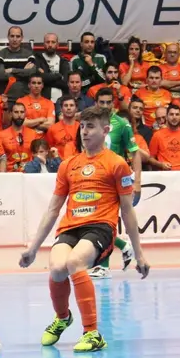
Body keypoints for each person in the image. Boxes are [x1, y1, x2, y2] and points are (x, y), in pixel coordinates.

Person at [20, 105, 150, 352]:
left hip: (101, 227)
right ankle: (62, 317)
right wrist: (33, 248)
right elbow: (52, 209)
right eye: (82, 127)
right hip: (70, 227)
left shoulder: (117, 164)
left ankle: (92, 334)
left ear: (105, 130)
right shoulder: (68, 165)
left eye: (91, 127)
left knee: (75, 262)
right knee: (57, 268)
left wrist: (139, 253)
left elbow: (127, 211)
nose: (85, 132)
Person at [71, 88, 141, 278]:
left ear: (113, 103)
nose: (105, 106)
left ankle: (104, 265)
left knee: (104, 221)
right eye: (101, 102)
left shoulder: (122, 124)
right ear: (96, 103)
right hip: (94, 176)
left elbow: (134, 152)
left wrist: (138, 181)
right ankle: (123, 246)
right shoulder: (90, 124)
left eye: (108, 102)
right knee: (92, 220)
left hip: (115, 178)